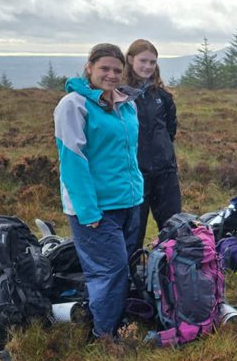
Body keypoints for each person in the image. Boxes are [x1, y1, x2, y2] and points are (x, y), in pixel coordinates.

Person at [54, 43, 144, 339]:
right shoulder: (73, 105)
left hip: (129, 202)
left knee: (122, 268)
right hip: (96, 208)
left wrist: (137, 194)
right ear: (89, 68)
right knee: (109, 271)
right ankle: (105, 335)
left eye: (117, 70)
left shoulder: (126, 104)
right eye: (104, 68)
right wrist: (87, 211)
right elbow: (73, 161)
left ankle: (115, 320)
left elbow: (128, 153)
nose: (111, 75)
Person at [125, 38, 181, 251]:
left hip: (165, 171)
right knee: (134, 230)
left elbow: (170, 129)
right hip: (134, 173)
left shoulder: (162, 95)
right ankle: (131, 269)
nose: (148, 66)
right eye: (143, 61)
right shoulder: (120, 94)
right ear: (130, 59)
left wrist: (163, 151)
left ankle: (170, 269)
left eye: (152, 62)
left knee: (173, 228)